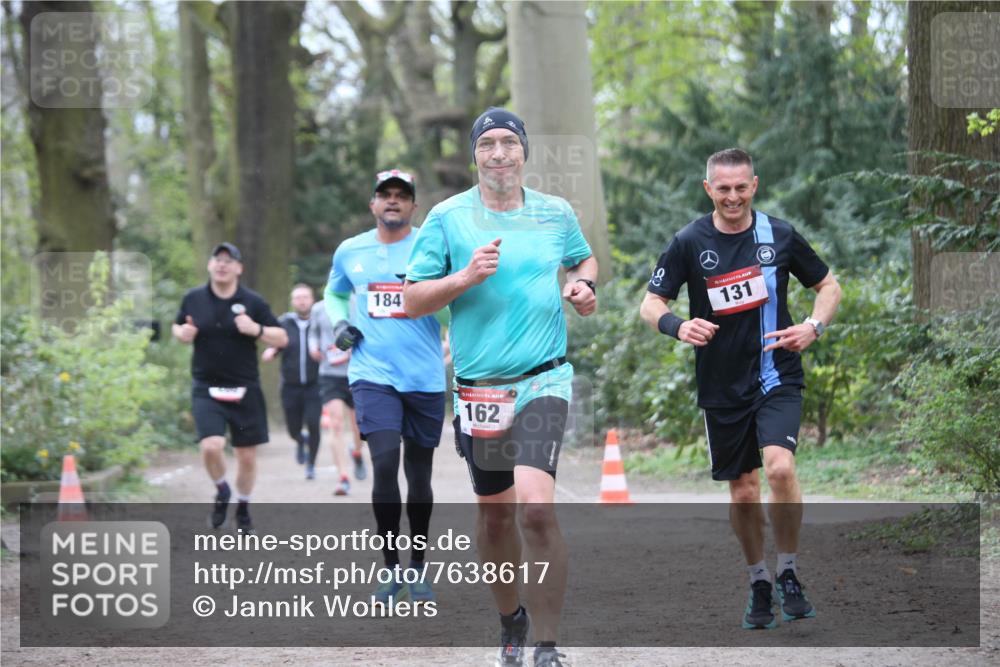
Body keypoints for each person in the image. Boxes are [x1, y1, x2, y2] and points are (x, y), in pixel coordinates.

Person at [404, 108, 598, 667]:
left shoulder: (554, 212)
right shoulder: (447, 218)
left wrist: (582, 286)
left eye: (508, 142)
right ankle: (511, 620)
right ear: (474, 155)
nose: (498, 153)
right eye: (486, 143)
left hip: (544, 378)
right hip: (480, 392)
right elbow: (412, 299)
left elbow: (582, 260)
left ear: (524, 151)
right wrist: (465, 276)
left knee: (535, 509)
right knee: (494, 516)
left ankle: (547, 644)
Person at [639, 148, 842, 630]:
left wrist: (813, 326)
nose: (733, 197)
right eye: (723, 188)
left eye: (741, 187)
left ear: (755, 185)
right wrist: (677, 326)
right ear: (708, 189)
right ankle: (759, 581)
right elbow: (650, 303)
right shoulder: (690, 241)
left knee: (780, 468)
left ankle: (788, 571)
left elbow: (829, 286)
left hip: (776, 373)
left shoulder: (779, 234)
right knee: (745, 492)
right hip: (721, 385)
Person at [324, 168, 446, 605]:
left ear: (414, 206)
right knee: (384, 460)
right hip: (372, 374)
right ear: (373, 204)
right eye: (385, 194)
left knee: (419, 475)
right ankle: (391, 568)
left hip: (425, 376)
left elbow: (452, 300)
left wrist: (439, 308)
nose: (393, 200)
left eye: (402, 195)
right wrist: (340, 324)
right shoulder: (350, 251)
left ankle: (418, 567)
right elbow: (334, 293)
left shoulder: (433, 247)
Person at [172, 243, 288, 533]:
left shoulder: (253, 302)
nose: (222, 264)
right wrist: (182, 333)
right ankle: (222, 490)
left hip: (244, 387)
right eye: (218, 259)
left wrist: (257, 330)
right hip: (206, 386)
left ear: (239, 268)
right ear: (210, 265)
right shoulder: (193, 299)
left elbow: (282, 338)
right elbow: (177, 326)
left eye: (229, 260)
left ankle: (243, 508)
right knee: (211, 446)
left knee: (246, 456)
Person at [261, 284, 322, 479]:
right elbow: (277, 342)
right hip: (290, 385)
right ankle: (300, 440)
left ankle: (311, 465)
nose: (302, 301)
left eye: (305, 297)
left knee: (313, 423)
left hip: (315, 384)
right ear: (292, 301)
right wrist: (272, 351)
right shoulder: (284, 322)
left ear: (312, 300)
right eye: (298, 297)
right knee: (292, 428)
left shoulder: (320, 322)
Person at [308, 296, 366, 495]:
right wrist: (313, 347)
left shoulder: (360, 301)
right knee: (336, 423)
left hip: (356, 371)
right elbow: (313, 333)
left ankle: (356, 452)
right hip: (329, 373)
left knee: (359, 424)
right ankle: (343, 477)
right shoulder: (319, 308)